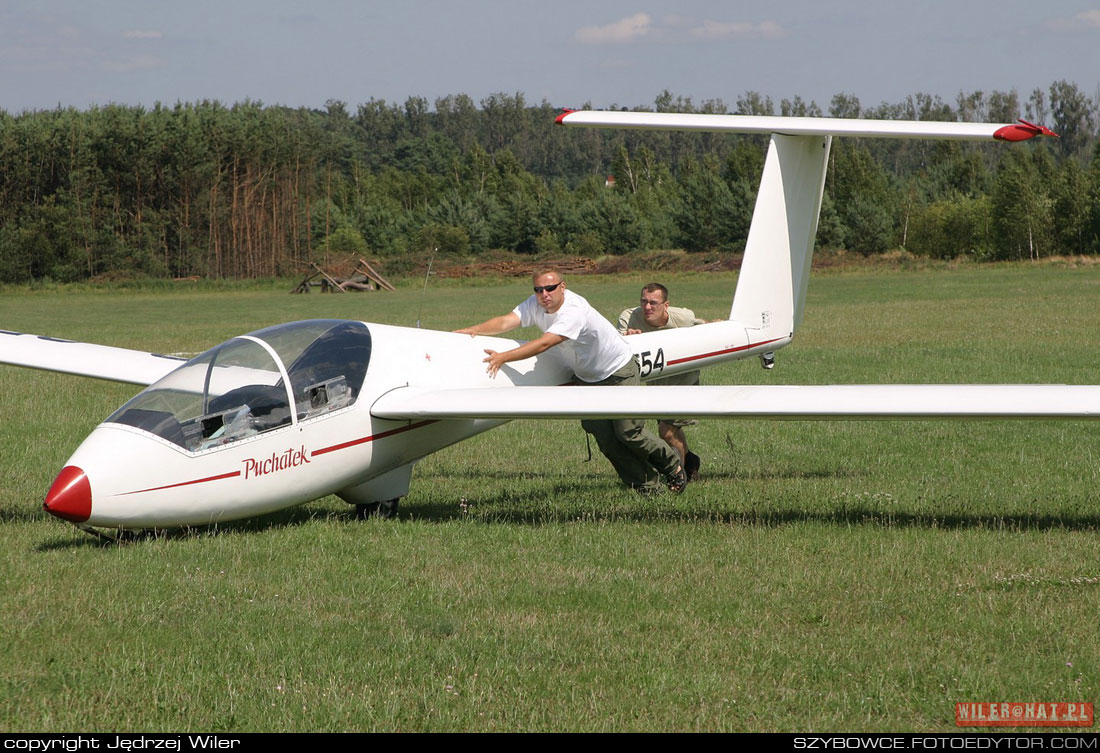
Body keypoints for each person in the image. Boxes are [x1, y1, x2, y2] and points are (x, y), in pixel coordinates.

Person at [455, 269, 687, 494]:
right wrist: (473, 330)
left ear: (562, 287)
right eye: (538, 290)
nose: (544, 295)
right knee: (607, 441)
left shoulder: (573, 310)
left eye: (550, 288)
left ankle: (672, 465)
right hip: (587, 378)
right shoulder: (536, 303)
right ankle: (647, 487)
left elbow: (546, 343)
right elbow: (507, 321)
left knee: (629, 433)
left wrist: (503, 357)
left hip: (617, 372)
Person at [618, 282, 705, 481]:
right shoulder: (629, 318)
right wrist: (627, 337)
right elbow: (616, 346)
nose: (647, 307)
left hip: (683, 378)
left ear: (666, 305)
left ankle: (677, 478)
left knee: (666, 431)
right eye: (643, 302)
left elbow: (707, 331)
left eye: (653, 303)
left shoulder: (682, 318)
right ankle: (690, 463)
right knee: (671, 430)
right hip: (656, 381)